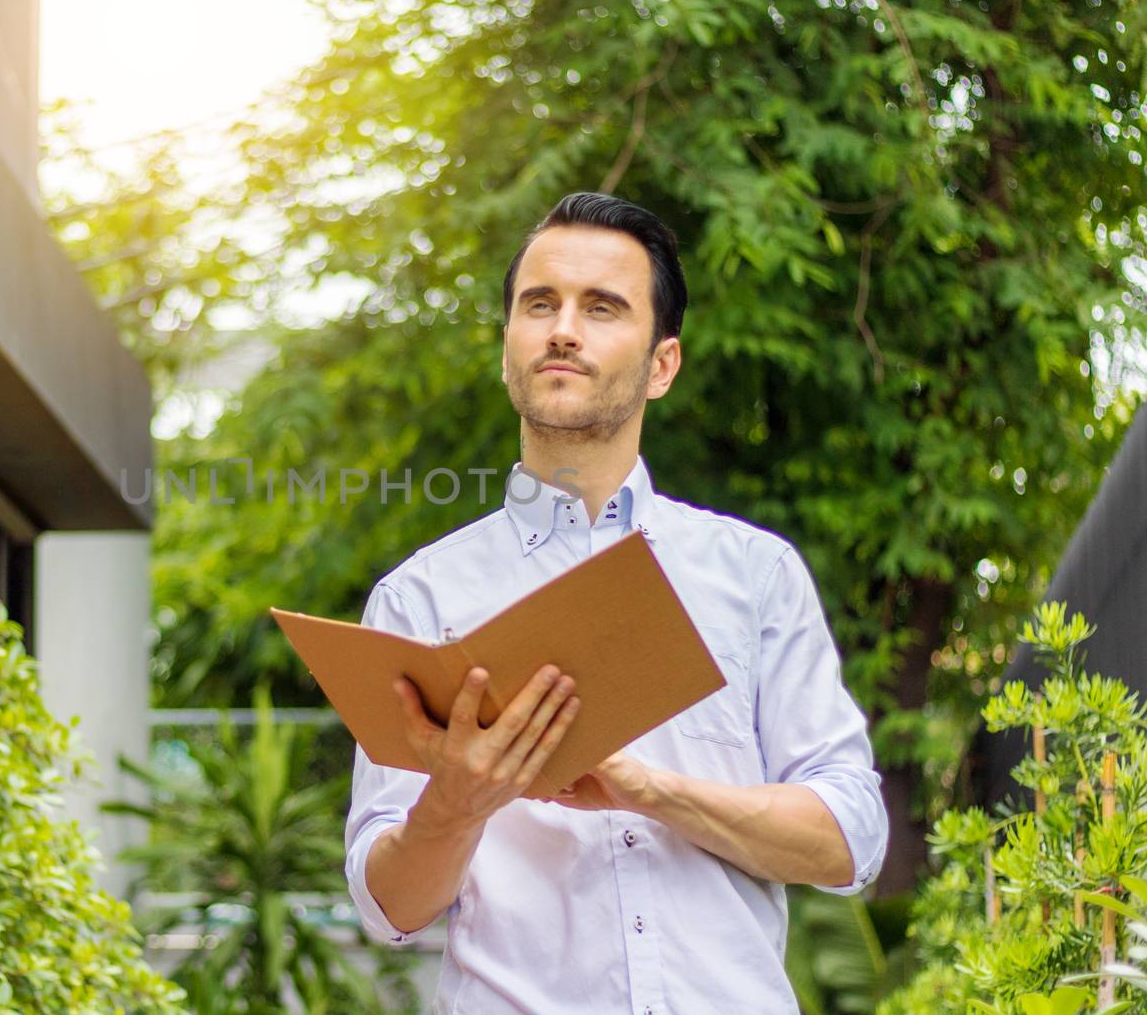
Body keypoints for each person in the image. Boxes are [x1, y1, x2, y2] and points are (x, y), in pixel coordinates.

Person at [344, 192, 888, 1013]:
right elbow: (388, 909)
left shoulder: (754, 574)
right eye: (539, 304)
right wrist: (455, 803)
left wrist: (646, 789)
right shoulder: (420, 599)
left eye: (602, 308)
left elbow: (852, 839)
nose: (564, 328)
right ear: (506, 349)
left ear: (661, 364)